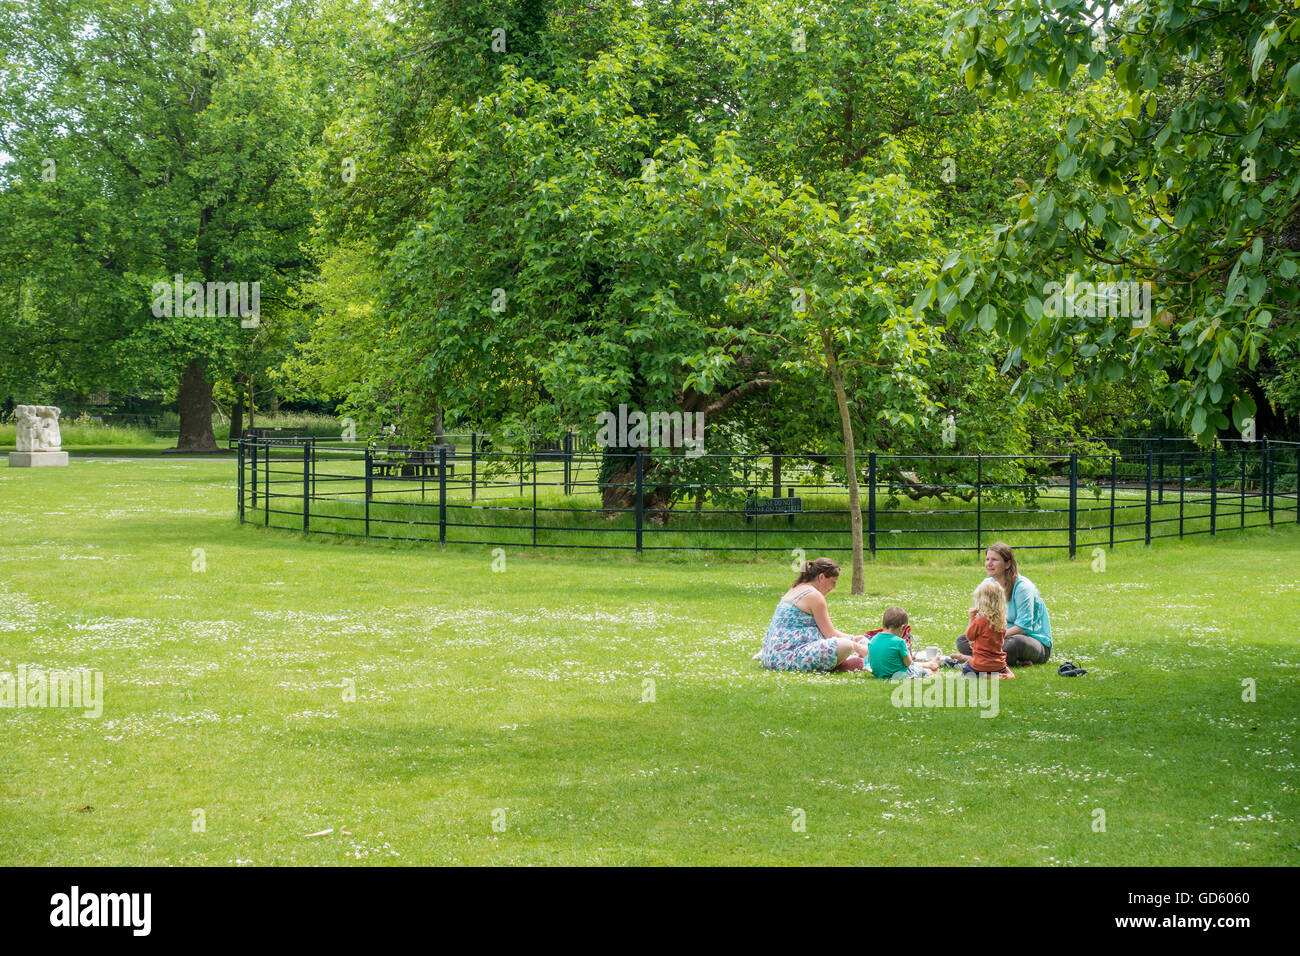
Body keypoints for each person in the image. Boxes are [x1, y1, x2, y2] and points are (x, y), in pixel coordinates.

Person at [761, 558, 870, 672]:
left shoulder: (797, 588)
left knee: (848, 643)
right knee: (846, 646)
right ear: (821, 577)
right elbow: (829, 634)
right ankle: (838, 666)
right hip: (785, 658)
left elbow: (825, 631)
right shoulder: (815, 596)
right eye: (833, 582)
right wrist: (858, 647)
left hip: (771, 655)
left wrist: (853, 638)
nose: (834, 587)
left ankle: (838, 664)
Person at [956, 542, 1052, 666]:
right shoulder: (987, 585)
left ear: (1008, 564)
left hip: (1030, 641)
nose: (989, 564)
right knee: (962, 640)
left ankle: (974, 659)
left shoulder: (1023, 588)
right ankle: (1012, 662)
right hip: (998, 639)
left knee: (1013, 644)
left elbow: (1023, 628)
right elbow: (980, 620)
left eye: (994, 560)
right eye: (987, 559)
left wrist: (994, 638)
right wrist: (980, 637)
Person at [950, 579, 1015, 679]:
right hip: (998, 665)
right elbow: (993, 641)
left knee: (966, 669)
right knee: (1001, 663)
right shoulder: (1001, 622)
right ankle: (1007, 674)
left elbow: (969, 636)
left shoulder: (980, 622)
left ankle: (987, 676)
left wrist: (972, 618)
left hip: (981, 665)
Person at [868, 606, 940, 679]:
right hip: (898, 675)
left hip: (878, 674)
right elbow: (908, 663)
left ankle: (930, 664)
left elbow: (870, 659)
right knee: (926, 672)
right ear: (902, 627)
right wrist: (907, 650)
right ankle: (931, 668)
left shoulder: (873, 639)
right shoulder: (899, 642)